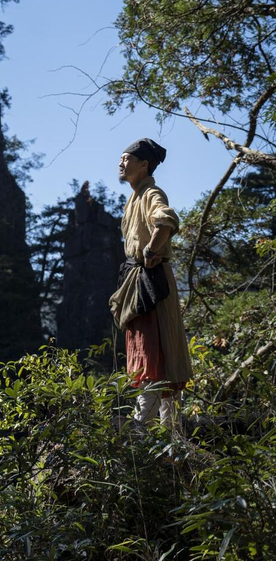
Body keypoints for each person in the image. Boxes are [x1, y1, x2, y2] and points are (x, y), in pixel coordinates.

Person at [109, 138, 193, 432]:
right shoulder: (135, 197)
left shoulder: (151, 193)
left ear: (143, 165)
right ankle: (171, 437)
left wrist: (152, 250)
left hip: (151, 283)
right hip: (140, 283)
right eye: (121, 158)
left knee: (155, 355)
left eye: (126, 159)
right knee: (156, 354)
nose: (121, 163)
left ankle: (140, 430)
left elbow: (166, 220)